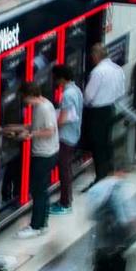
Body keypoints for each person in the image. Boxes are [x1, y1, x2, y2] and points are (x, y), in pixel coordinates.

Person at [11, 81, 60, 239]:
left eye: (24, 98)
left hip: (43, 155)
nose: (24, 102)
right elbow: (36, 126)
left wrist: (30, 135)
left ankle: (35, 226)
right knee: (43, 191)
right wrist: (19, 128)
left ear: (29, 95)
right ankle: (42, 224)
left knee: (38, 191)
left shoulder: (43, 108)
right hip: (50, 153)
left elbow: (50, 130)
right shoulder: (45, 104)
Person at [83, 42, 127, 184]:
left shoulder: (98, 72)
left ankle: (100, 176)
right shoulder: (117, 69)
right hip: (111, 109)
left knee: (98, 145)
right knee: (107, 142)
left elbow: (89, 96)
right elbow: (121, 91)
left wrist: (86, 104)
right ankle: (109, 170)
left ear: (96, 55)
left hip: (97, 112)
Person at [52, 64, 86, 215]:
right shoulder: (76, 90)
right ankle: (65, 200)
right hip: (74, 134)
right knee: (66, 170)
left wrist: (51, 124)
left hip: (65, 137)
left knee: (64, 171)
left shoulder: (67, 95)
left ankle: (65, 203)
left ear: (61, 78)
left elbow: (63, 118)